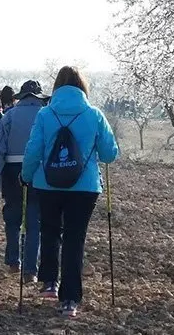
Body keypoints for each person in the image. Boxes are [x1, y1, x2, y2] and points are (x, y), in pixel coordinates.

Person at [22, 66, 118, 318]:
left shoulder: (45, 114)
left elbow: (33, 149)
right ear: (82, 87)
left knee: (50, 231)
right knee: (75, 239)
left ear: (56, 87)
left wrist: (26, 175)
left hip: (48, 184)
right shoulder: (95, 115)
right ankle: (70, 300)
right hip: (84, 187)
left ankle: (49, 283)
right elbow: (110, 153)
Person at [0, 80, 48, 283]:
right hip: (39, 172)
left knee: (12, 217)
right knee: (34, 220)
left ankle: (14, 261)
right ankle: (31, 270)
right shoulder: (46, 116)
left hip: (11, 172)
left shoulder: (9, 116)